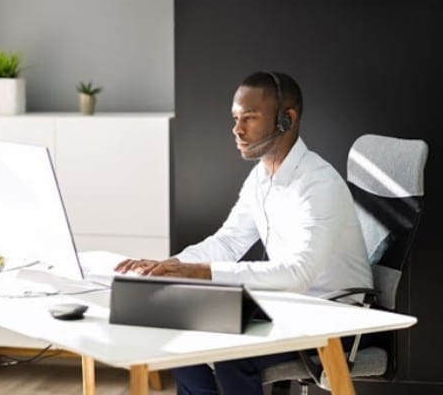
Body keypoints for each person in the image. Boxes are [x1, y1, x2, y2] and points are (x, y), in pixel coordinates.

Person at [114, 71, 373, 395]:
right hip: (286, 306)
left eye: (249, 118)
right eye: (235, 118)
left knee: (231, 353)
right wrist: (167, 265)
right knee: (177, 325)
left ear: (286, 119)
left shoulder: (319, 183)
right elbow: (228, 241)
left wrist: (200, 272)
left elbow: (298, 273)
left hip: (334, 315)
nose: (237, 129)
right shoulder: (260, 178)